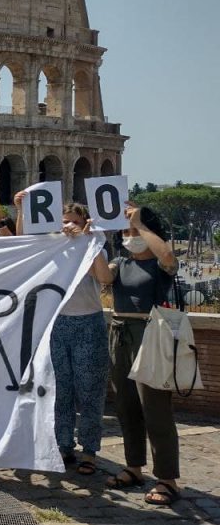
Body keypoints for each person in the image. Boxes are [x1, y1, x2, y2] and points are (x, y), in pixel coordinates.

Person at [16, 194, 111, 474]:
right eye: (65, 222)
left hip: (88, 323)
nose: (69, 226)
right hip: (57, 324)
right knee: (61, 390)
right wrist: (22, 209)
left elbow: (105, 279)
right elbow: (24, 245)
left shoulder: (93, 247)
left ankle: (90, 450)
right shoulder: (53, 248)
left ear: (84, 224)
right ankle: (63, 444)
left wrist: (89, 241)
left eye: (75, 222)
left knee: (90, 390)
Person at [100, 204, 182, 506]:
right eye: (125, 231)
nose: (129, 236)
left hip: (151, 334)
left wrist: (142, 226)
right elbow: (103, 278)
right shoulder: (121, 262)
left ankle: (167, 478)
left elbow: (169, 257)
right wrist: (91, 239)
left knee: (155, 408)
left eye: (134, 231)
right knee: (126, 405)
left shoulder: (159, 266)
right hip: (120, 332)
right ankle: (134, 467)